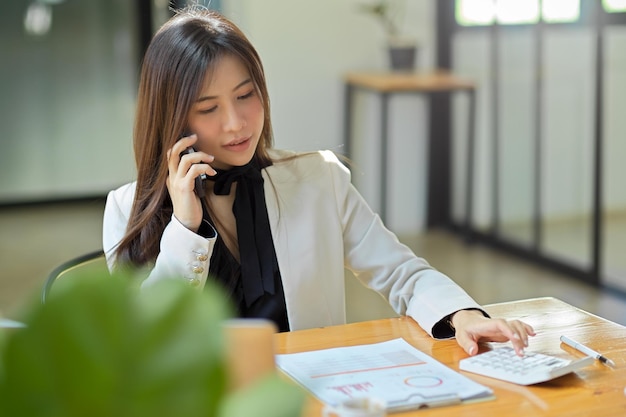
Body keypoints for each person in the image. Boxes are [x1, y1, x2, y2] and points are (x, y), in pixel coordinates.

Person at [102, 6, 535, 356]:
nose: (236, 123)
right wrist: (185, 228)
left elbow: (402, 272)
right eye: (208, 107)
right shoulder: (126, 209)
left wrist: (465, 315)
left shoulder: (318, 179)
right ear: (172, 115)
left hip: (313, 398)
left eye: (245, 95)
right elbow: (142, 345)